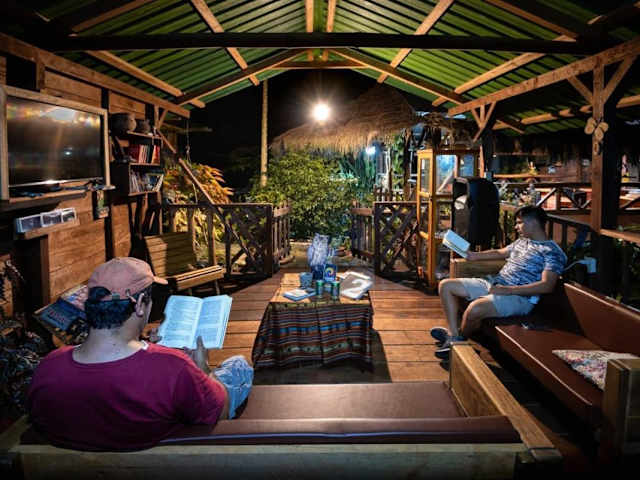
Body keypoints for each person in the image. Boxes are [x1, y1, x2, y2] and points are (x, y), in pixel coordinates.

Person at [27, 257, 251, 451]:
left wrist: (145, 345)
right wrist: (203, 369)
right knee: (238, 365)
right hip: (162, 465)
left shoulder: (49, 367)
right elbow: (219, 413)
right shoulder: (174, 367)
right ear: (140, 305)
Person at [431, 205, 567, 360]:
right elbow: (500, 252)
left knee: (475, 309)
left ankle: (457, 340)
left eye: (519, 222)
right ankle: (454, 337)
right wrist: (473, 256)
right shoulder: (523, 242)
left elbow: (547, 286)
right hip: (496, 284)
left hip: (520, 298)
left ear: (533, 223)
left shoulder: (552, 252)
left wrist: (508, 290)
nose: (516, 227)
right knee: (446, 285)